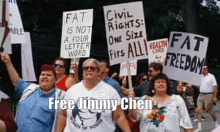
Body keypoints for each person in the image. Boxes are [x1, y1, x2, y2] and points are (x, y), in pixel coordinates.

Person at [56, 58, 131, 132]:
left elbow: (119, 117)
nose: (88, 70)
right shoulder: (72, 91)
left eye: (92, 68)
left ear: (98, 71)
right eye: (86, 68)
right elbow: (63, 115)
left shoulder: (110, 92)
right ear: (82, 72)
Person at [1, 54, 65, 132]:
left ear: (55, 80)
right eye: (42, 74)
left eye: (49, 75)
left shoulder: (60, 97)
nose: (45, 77)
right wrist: (8, 63)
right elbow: (16, 81)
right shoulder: (29, 88)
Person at [195, 66, 218, 132]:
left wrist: (214, 97)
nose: (205, 70)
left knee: (210, 111)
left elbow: (215, 87)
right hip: (201, 94)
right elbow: (198, 85)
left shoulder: (211, 76)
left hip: (209, 95)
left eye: (206, 68)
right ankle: (199, 128)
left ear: (208, 69)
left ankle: (216, 123)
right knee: (198, 110)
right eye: (204, 68)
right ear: (202, 69)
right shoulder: (199, 76)